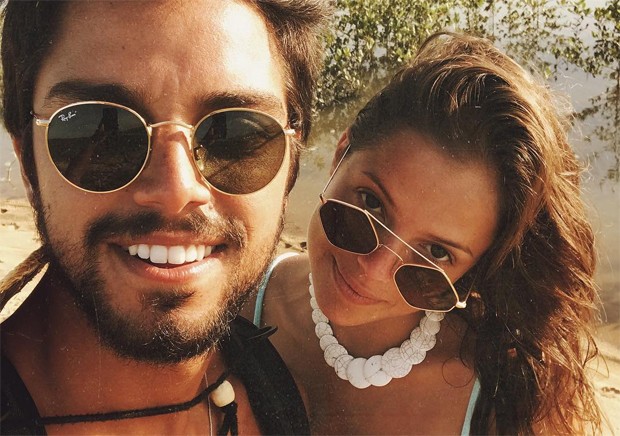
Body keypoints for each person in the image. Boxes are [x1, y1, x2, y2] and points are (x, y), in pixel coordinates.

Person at [0, 1, 329, 434]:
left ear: (294, 162)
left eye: (234, 135)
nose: (176, 192)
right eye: (104, 130)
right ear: (27, 161)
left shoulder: (276, 390)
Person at [251, 32, 603, 434]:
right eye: (371, 204)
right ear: (340, 154)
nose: (375, 270)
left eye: (436, 252)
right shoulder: (233, 299)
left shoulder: (506, 400)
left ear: (472, 272)